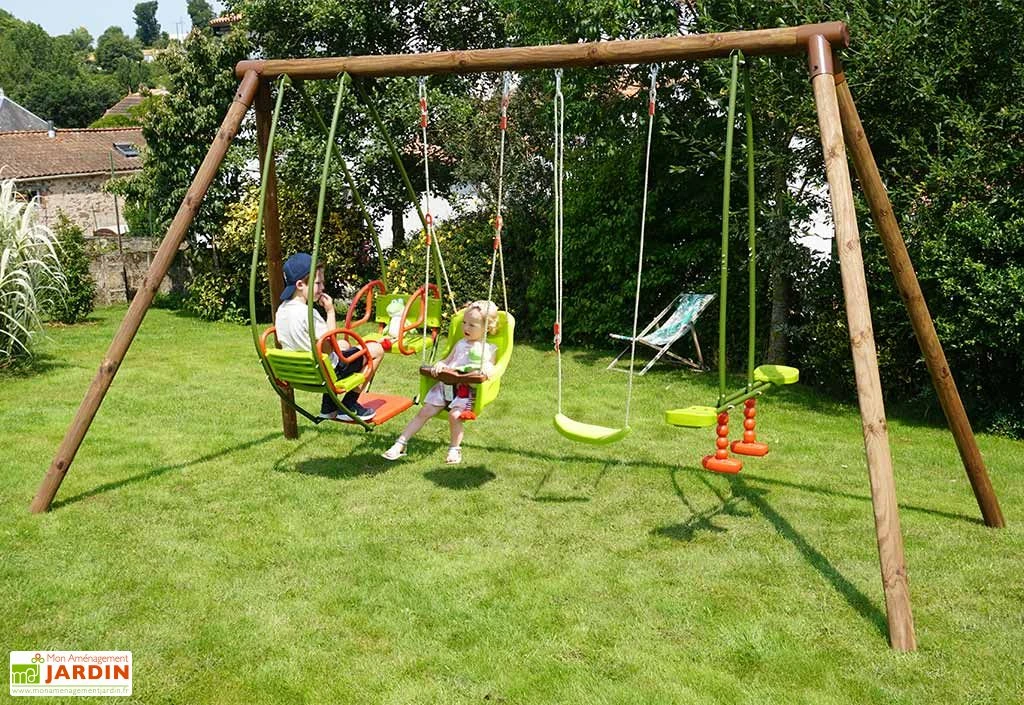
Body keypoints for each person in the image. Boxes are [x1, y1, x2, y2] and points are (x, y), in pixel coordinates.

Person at [275, 252, 390, 422]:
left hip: (300, 373)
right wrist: (330, 312)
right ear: (300, 284)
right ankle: (349, 405)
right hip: (326, 373)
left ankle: (328, 408)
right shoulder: (308, 314)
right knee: (376, 349)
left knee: (344, 344)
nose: (322, 288)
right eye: (317, 283)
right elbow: (331, 345)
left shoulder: (281, 311)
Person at [382, 300, 499, 465]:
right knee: (424, 412)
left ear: (486, 328)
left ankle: (454, 449)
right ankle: (400, 443)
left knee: (455, 416)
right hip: (445, 386)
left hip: (465, 390)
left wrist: (487, 368)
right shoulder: (460, 344)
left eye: (472, 325)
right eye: (464, 323)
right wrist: (440, 364)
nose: (466, 327)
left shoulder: (489, 348)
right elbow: (447, 360)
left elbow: (493, 368)